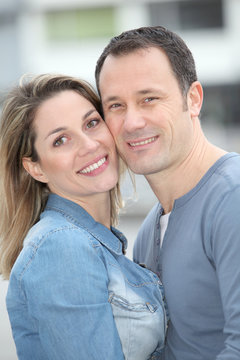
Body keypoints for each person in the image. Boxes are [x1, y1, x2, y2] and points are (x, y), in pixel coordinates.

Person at [95, 26, 240, 359]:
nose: (132, 122)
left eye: (149, 99)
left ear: (193, 99)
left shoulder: (232, 199)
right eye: (116, 106)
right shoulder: (149, 231)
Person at [0, 74, 168, 360]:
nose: (89, 145)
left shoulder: (95, 242)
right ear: (35, 168)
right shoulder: (62, 247)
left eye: (91, 123)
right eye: (61, 140)